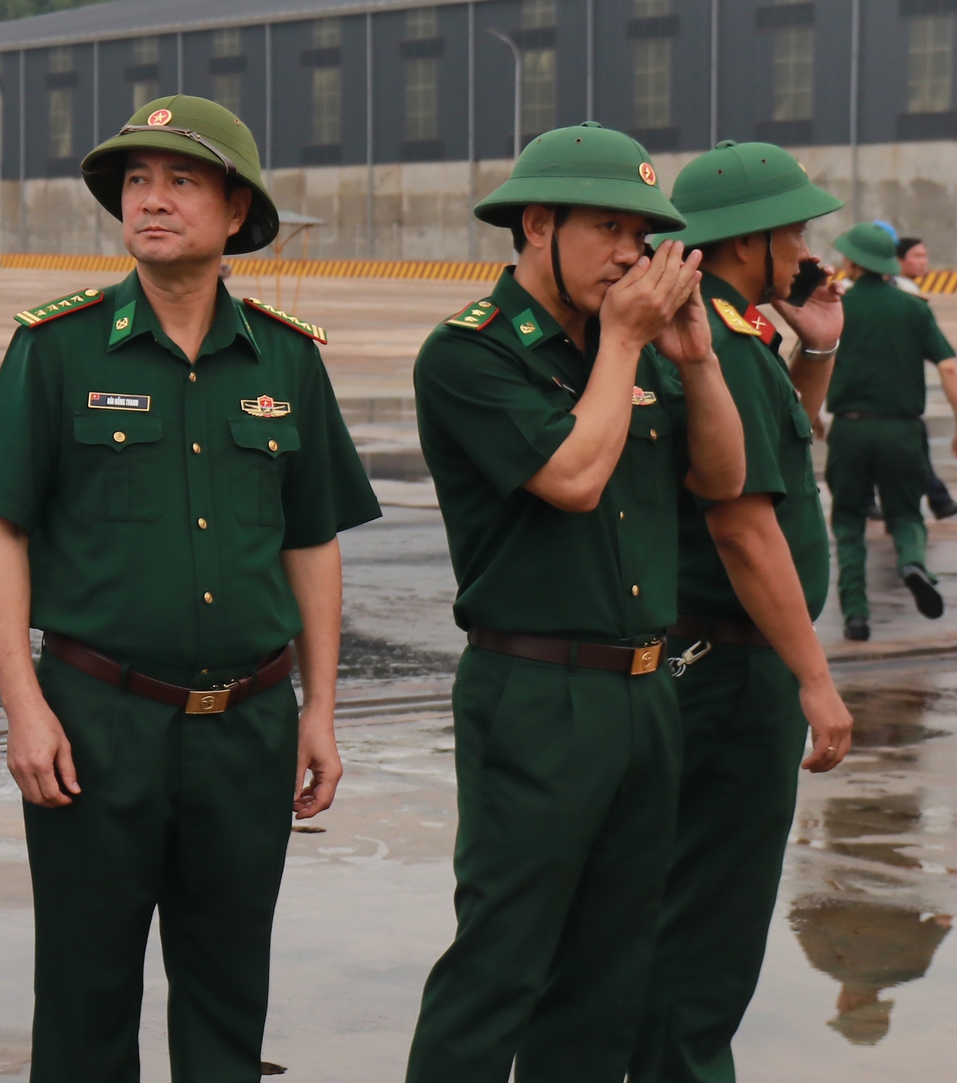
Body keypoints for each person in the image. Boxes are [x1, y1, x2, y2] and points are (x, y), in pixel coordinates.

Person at [0, 94, 379, 1083]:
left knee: (229, 999)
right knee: (84, 1001)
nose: (150, 199)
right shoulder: (56, 349)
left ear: (236, 212)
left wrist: (322, 712)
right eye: (135, 181)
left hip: (251, 726)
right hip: (99, 722)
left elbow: (311, 545)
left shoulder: (286, 360)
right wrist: (23, 707)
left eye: (179, 180)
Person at [402, 122, 745, 1083]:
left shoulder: (626, 350)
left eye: (644, 234)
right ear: (537, 224)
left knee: (609, 970)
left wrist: (698, 359)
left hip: (644, 689)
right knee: (502, 961)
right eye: (608, 228)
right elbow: (571, 476)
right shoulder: (472, 353)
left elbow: (721, 478)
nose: (633, 253)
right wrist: (629, 343)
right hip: (536, 688)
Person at [630, 141, 857, 1083]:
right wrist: (815, 678)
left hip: (730, 661)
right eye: (794, 231)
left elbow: (781, 448)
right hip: (733, 667)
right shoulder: (713, 342)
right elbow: (744, 527)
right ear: (751, 238)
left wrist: (818, 345)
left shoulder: (742, 336)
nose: (805, 246)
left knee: (696, 908)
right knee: (712, 919)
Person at [823, 220, 956, 635]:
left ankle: (856, 615)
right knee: (905, 515)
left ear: (852, 261)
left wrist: (813, 421)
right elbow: (950, 366)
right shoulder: (913, 307)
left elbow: (813, 364)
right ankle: (913, 564)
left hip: (850, 428)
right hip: (902, 430)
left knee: (848, 523)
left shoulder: (837, 307)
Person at [888, 237, 957, 516]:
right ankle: (937, 498)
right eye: (916, 256)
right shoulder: (906, 295)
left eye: (925, 256)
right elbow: (947, 363)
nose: (923, 262)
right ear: (899, 260)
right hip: (899, 394)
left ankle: (938, 497)